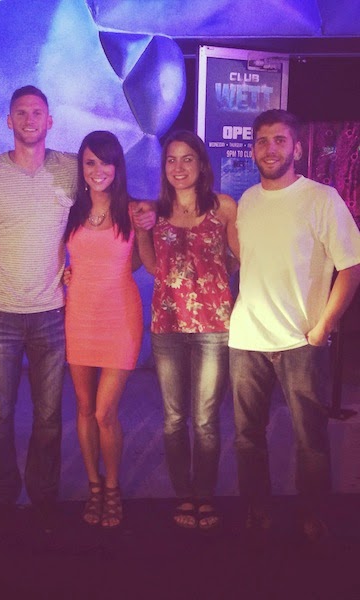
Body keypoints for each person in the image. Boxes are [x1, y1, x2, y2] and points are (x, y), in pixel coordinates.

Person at [229, 109, 360, 545]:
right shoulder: (247, 201)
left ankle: (313, 514)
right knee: (247, 437)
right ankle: (257, 510)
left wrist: (324, 325)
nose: (270, 149)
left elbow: (351, 267)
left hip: (301, 340)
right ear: (253, 150)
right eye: (262, 141)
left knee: (311, 439)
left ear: (297, 148)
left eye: (280, 140)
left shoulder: (321, 199)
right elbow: (247, 259)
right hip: (247, 339)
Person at [0, 86, 77, 529]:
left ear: (50, 120)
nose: (29, 119)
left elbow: (99, 212)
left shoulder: (71, 169)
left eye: (37, 112)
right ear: (9, 121)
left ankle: (44, 496)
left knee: (48, 417)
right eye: (21, 112)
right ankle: (3, 496)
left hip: (50, 313)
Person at [135, 130, 239, 531]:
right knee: (175, 418)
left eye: (187, 159)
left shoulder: (223, 207)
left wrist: (213, 277)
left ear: (201, 163)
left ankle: (204, 494)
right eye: (171, 160)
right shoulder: (155, 211)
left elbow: (238, 256)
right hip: (168, 324)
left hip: (214, 325)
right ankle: (183, 493)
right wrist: (142, 231)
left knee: (206, 419)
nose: (178, 167)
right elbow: (151, 265)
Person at [63, 130, 148, 528]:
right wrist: (65, 275)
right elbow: (59, 257)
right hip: (79, 316)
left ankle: (112, 487)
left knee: (103, 412)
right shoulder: (72, 211)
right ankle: (94, 487)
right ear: (81, 167)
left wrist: (148, 226)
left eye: (106, 162)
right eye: (90, 162)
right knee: (83, 408)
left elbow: (141, 262)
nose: (98, 170)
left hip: (120, 319)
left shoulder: (134, 211)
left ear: (118, 166)